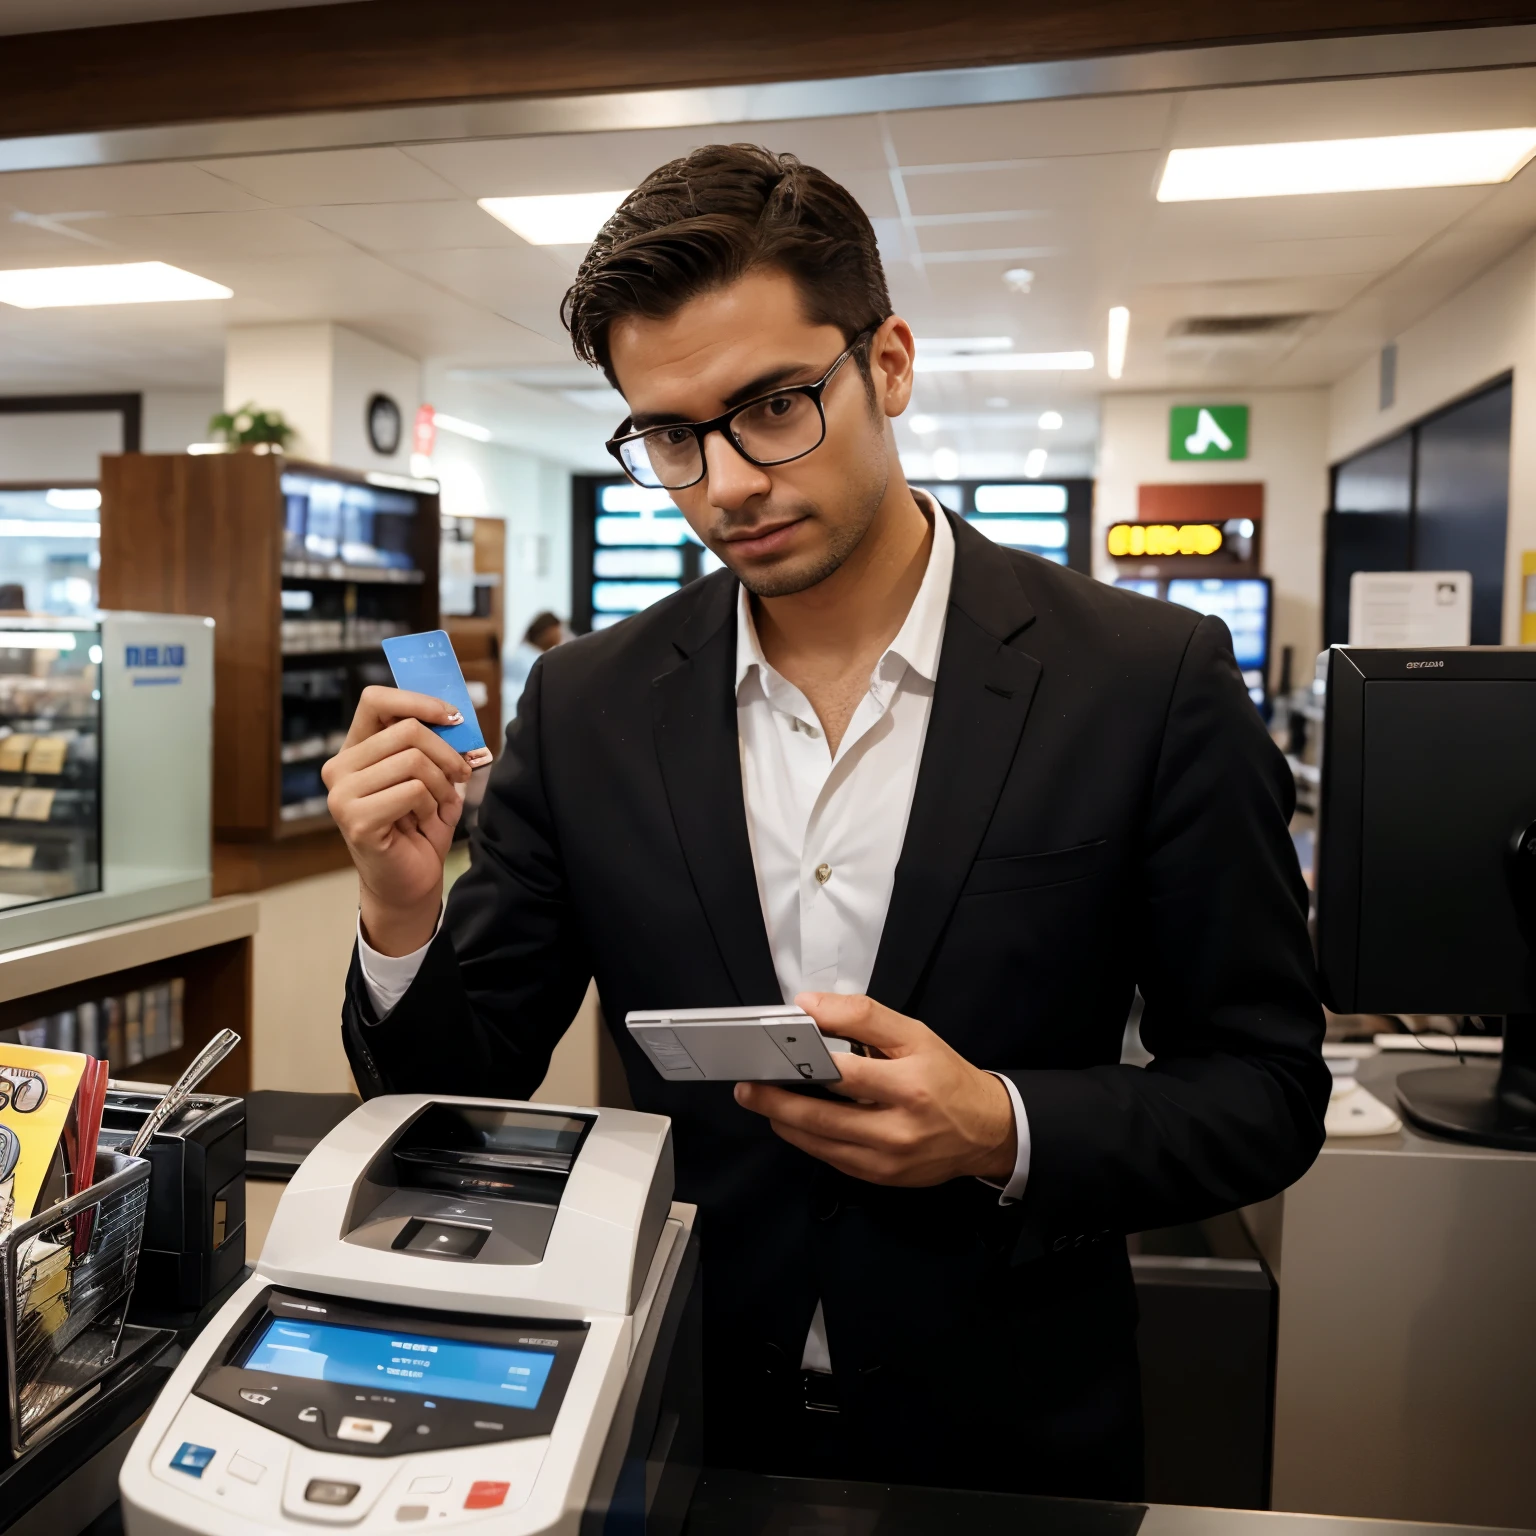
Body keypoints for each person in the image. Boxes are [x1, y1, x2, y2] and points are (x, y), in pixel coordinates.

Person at [324, 144, 1328, 1500]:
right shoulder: (591, 707)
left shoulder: (1145, 681)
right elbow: (463, 1094)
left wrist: (1003, 1125)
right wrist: (401, 914)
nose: (725, 481)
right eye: (670, 435)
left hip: (1015, 1438)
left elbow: (1264, 1096)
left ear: (889, 364)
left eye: (775, 405)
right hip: (679, 1421)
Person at [503, 609, 565, 717]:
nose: (561, 635)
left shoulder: (520, 653)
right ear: (548, 632)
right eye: (559, 630)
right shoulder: (536, 662)